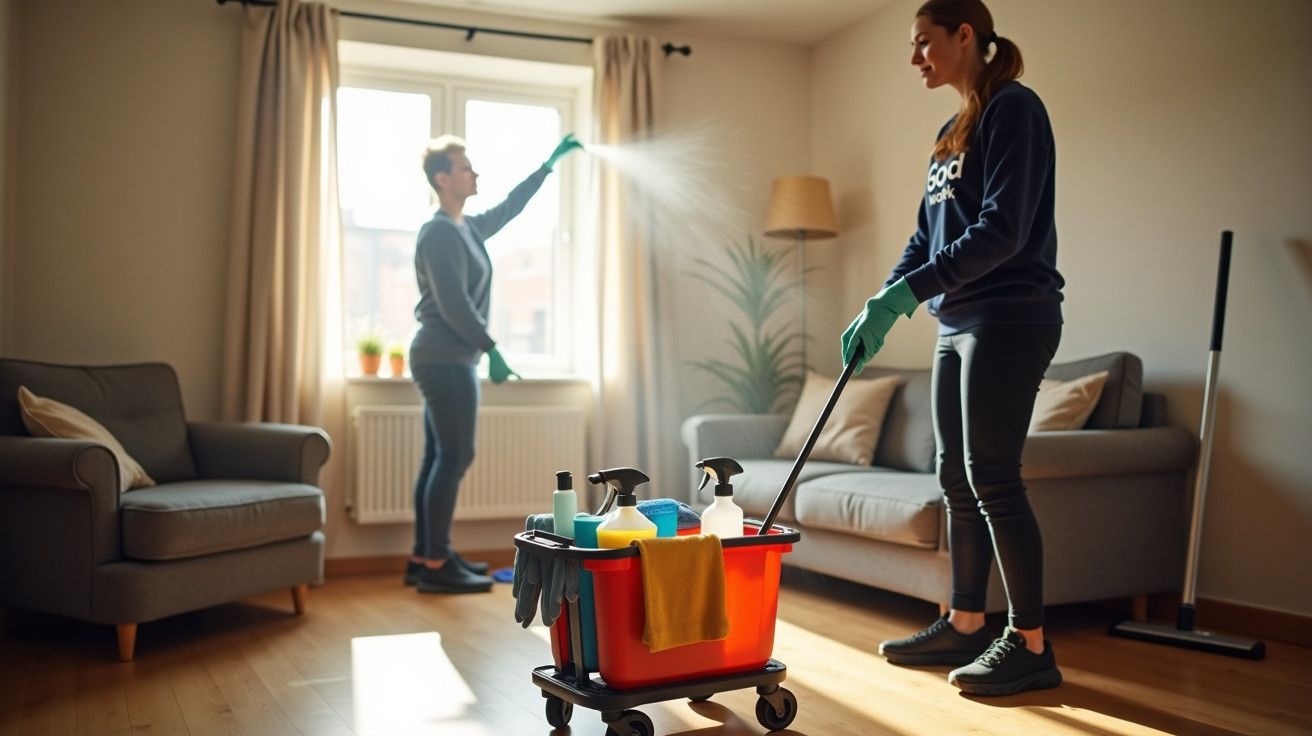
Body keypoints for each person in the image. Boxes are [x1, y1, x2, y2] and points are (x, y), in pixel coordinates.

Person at [840, 0, 1065, 695]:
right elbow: (926, 238)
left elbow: (1002, 230)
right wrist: (883, 298)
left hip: (1010, 315)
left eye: (923, 44)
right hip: (956, 321)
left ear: (965, 35)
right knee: (954, 478)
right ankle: (966, 621)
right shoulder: (950, 128)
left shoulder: (1014, 110)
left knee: (993, 475)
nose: (916, 59)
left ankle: (1030, 644)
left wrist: (906, 295)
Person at [404, 133, 583, 594]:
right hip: (446, 357)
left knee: (438, 457)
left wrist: (546, 167)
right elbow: (454, 304)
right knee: (455, 454)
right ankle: (436, 563)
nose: (475, 173)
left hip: (446, 355)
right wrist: (492, 349)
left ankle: (427, 556)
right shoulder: (439, 231)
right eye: (465, 168)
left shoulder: (463, 227)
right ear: (442, 178)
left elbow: (509, 207)